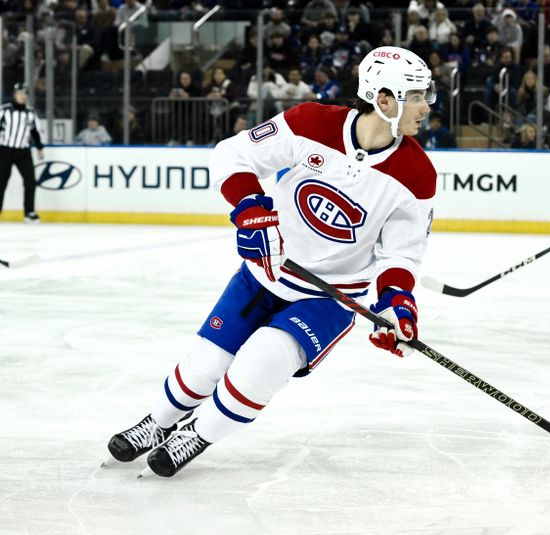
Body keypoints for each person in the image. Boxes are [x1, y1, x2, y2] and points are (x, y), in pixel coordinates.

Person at [105, 46, 438, 477]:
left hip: (330, 297)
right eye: (417, 95)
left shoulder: (417, 174)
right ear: (384, 99)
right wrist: (249, 207)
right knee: (204, 366)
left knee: (263, 361)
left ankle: (198, 433)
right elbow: (232, 154)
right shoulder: (311, 124)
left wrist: (396, 302)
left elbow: (400, 251)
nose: (426, 105)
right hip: (266, 272)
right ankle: (158, 422)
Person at [0, 83, 44, 223]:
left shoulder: (30, 112)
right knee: (1, 182)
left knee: (31, 181)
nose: (22, 96)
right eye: (20, 93)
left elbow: (35, 132)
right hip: (5, 150)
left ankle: (29, 212)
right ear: (14, 94)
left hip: (23, 152)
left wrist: (39, 148)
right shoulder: (4, 110)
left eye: (25, 93)